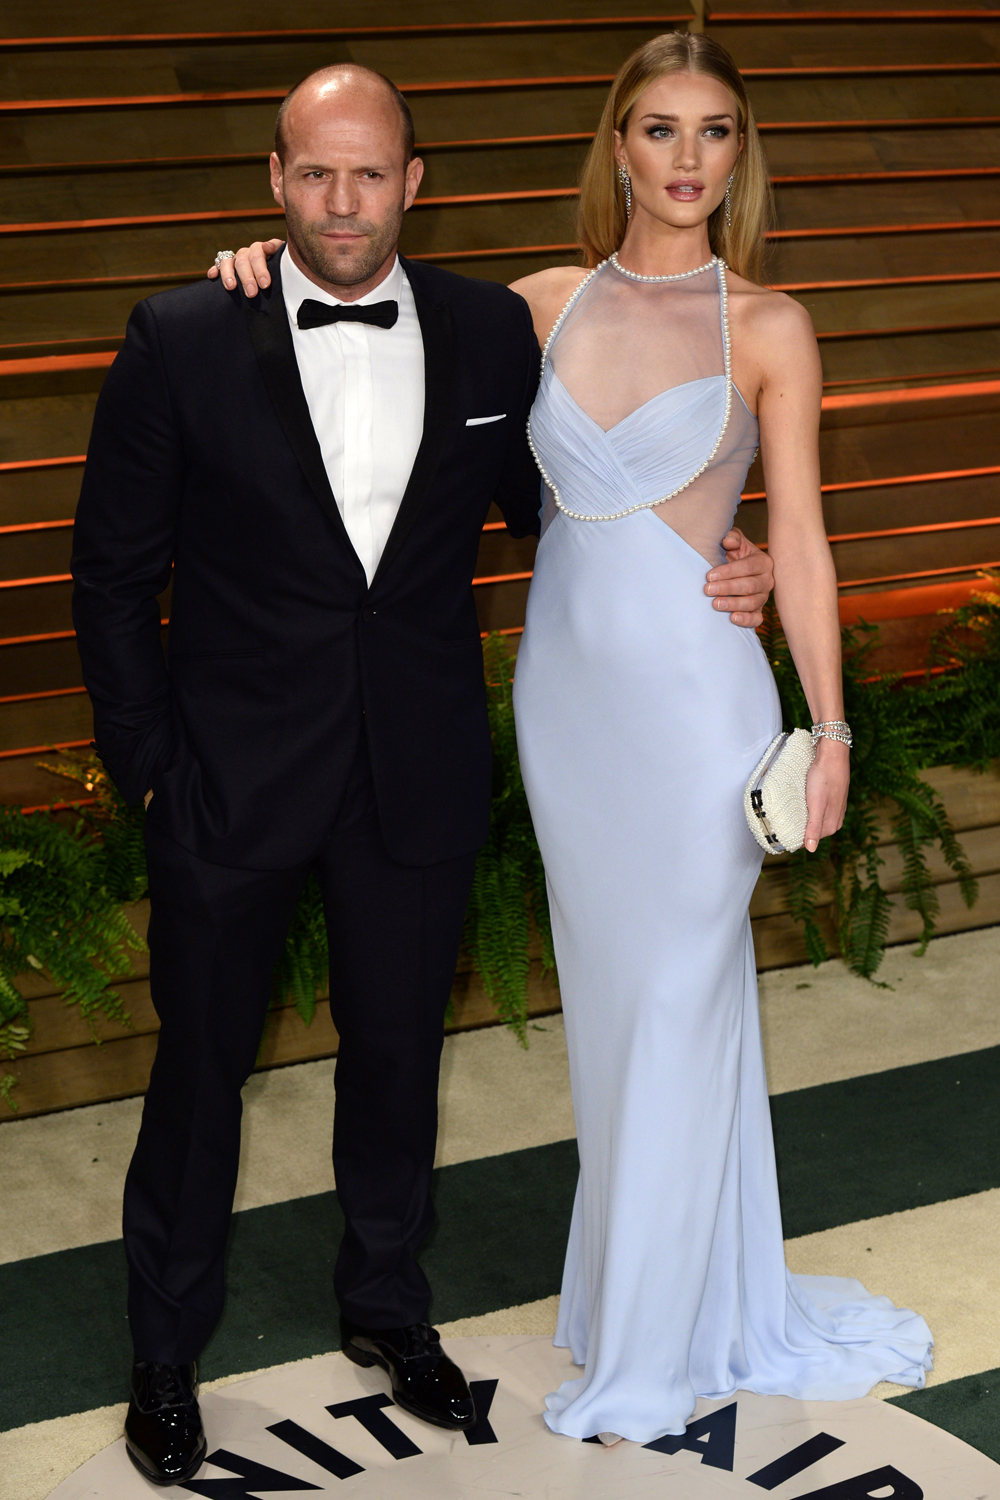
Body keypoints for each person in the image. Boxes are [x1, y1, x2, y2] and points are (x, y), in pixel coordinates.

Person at [71, 62, 775, 1485]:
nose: (344, 201)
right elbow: (109, 575)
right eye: (316, 174)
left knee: (397, 1068)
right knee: (200, 1077)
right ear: (276, 182)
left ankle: (389, 1310)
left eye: (371, 173)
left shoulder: (486, 329)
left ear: (415, 182)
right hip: (231, 783)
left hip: (416, 768)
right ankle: (164, 1351)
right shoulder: (185, 333)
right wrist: (150, 766)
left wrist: (726, 552)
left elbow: (568, 499)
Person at [509, 33, 932, 1443]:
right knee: (620, 1015)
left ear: (743, 153)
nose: (689, 159)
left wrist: (832, 730)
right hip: (568, 718)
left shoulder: (771, 325)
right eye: (660, 129)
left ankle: (647, 1351)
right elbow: (368, 360)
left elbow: (801, 539)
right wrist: (250, 269)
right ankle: (653, 1292)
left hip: (701, 711)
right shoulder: (534, 307)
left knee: (685, 1001)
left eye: (718, 131)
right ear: (615, 145)